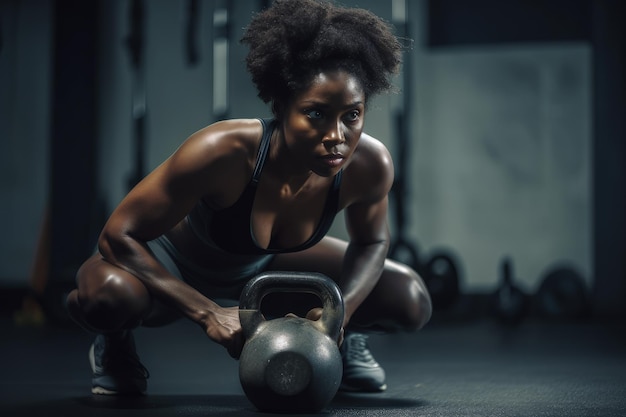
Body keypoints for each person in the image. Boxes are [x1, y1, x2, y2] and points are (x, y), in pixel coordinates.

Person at [66, 0, 432, 396]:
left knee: (408, 297)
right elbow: (116, 236)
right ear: (282, 105)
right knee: (109, 297)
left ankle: (350, 339)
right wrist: (207, 313)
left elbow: (373, 241)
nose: (337, 136)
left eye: (352, 115)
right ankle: (114, 341)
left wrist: (340, 314)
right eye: (315, 114)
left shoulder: (368, 164)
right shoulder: (223, 151)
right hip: (170, 261)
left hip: (260, 265)